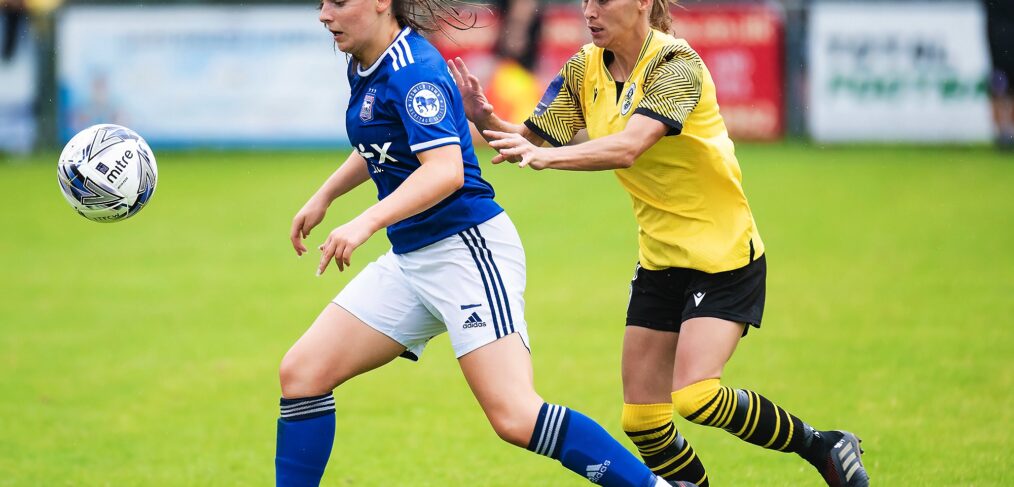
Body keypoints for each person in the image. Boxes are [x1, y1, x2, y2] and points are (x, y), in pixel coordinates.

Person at [447, 0, 870, 485]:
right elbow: (529, 139)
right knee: (643, 422)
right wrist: (485, 119)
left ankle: (824, 445)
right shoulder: (584, 67)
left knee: (696, 396)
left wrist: (547, 160)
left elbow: (629, 146)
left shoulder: (676, 65)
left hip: (723, 254)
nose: (589, 11)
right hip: (659, 259)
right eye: (585, 0)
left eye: (602, 1)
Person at [275, 0, 689, 486]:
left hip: (466, 250)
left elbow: (446, 171)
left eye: (338, 2)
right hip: (413, 259)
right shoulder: (367, 62)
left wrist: (363, 222)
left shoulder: (415, 72)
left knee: (515, 416)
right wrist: (326, 194)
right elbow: (384, 141)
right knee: (301, 375)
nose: (324, 14)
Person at [984, 0, 1014, 149]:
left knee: (1002, 90)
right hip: (998, 47)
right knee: (1000, 89)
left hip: (998, 44)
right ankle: (1003, 131)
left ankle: (1006, 132)